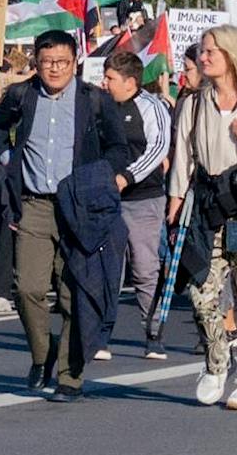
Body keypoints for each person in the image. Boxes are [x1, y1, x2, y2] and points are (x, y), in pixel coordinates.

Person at [0, 27, 132, 400]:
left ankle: (70, 376)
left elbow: (120, 146)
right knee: (28, 288)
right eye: (47, 62)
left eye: (62, 62)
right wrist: (9, 162)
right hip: (35, 204)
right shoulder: (22, 95)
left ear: (75, 63)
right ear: (35, 62)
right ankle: (43, 353)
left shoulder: (94, 100)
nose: (54, 69)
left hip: (79, 207)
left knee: (73, 295)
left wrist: (109, 178)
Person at [169, 23, 237, 406]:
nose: (203, 57)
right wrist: (175, 202)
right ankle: (216, 362)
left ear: (229, 54)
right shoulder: (194, 103)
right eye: (202, 51)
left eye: (211, 51)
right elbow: (183, 156)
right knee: (201, 292)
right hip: (208, 205)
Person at [101, 46, 171, 359]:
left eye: (110, 78)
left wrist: (127, 177)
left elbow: (158, 148)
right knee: (107, 268)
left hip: (143, 200)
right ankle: (101, 333)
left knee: (144, 268)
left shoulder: (151, 107)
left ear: (130, 82)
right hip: (107, 201)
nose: (104, 83)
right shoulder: (101, 105)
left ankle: (153, 332)